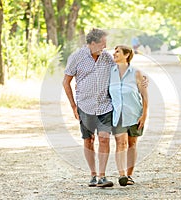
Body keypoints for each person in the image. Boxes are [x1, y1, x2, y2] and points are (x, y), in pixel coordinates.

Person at [62, 28, 115, 187]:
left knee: (104, 139)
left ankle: (102, 176)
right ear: (92, 43)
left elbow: (120, 73)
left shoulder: (107, 58)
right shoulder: (77, 57)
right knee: (89, 140)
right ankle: (92, 174)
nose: (104, 47)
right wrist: (73, 106)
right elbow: (66, 82)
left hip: (105, 106)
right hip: (85, 106)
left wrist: (140, 81)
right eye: (102, 44)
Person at [109, 45, 148, 186]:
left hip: (134, 114)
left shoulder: (136, 73)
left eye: (118, 51)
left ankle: (129, 175)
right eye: (114, 51)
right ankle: (122, 175)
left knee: (132, 144)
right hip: (117, 115)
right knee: (121, 143)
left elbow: (144, 96)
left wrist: (144, 115)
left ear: (126, 55)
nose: (114, 54)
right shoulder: (110, 73)